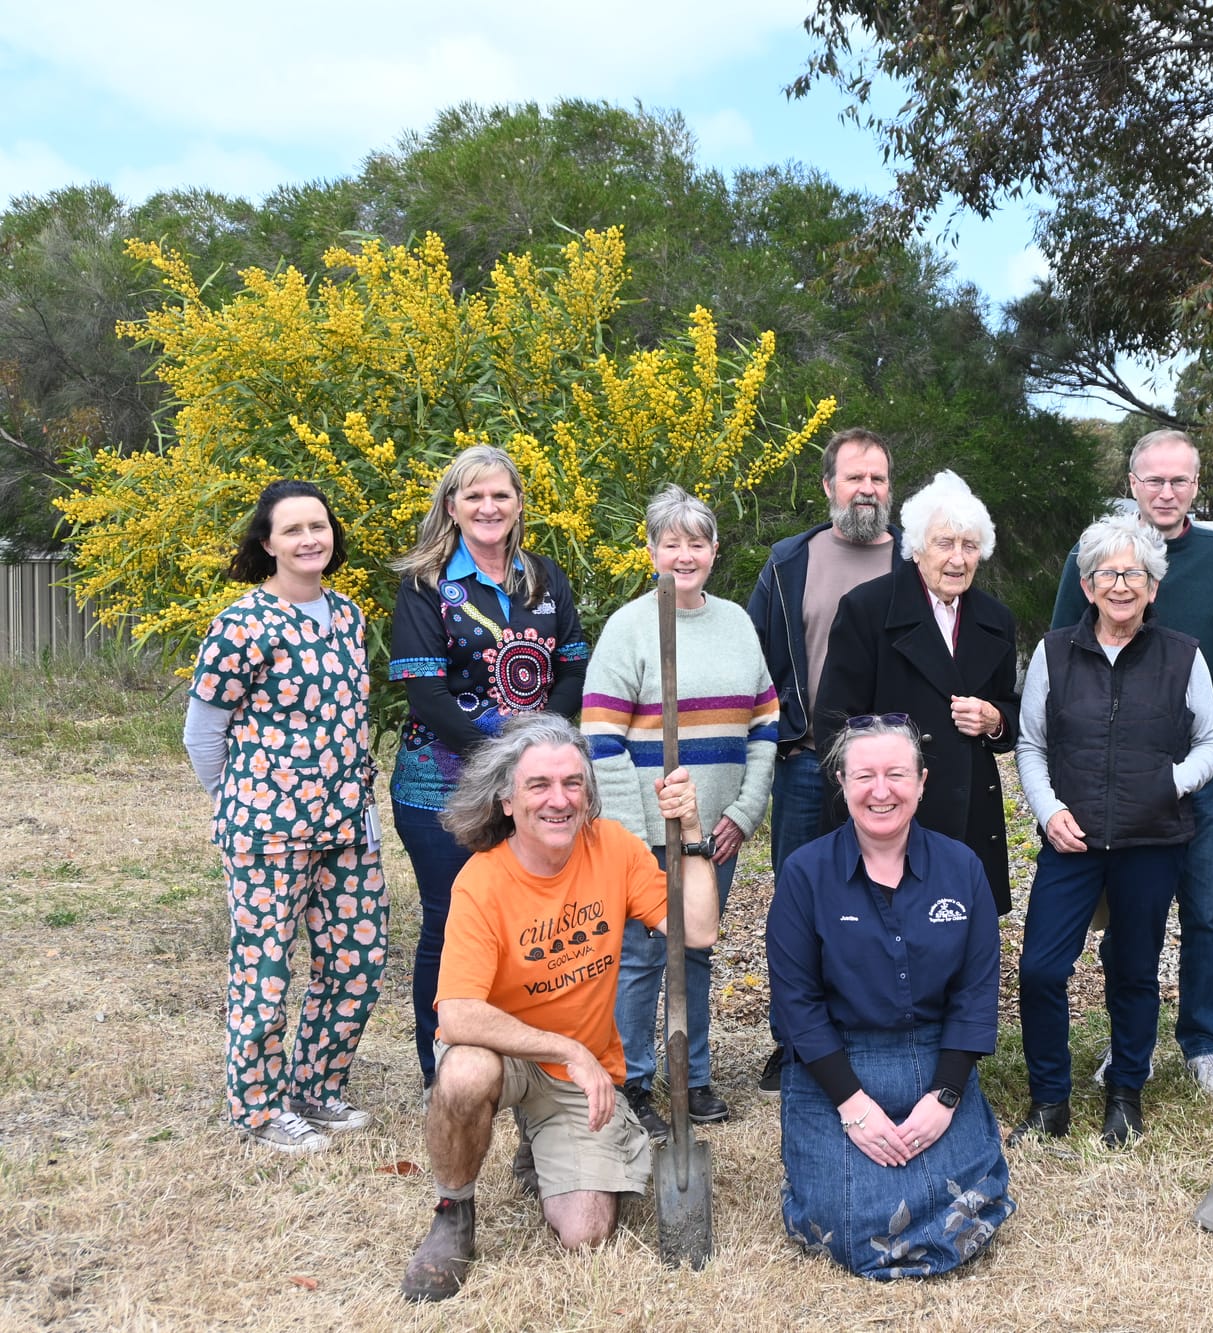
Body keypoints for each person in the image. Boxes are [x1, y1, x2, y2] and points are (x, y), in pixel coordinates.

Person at [399, 714, 720, 1303]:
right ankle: (453, 1211)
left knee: (585, 1233)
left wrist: (693, 831)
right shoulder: (481, 882)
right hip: (512, 1053)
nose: (559, 799)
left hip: (577, 1075)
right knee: (465, 1071)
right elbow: (458, 1016)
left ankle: (541, 1148)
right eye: (540, 785)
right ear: (507, 800)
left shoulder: (613, 849)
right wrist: (568, 1049)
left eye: (573, 783)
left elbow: (697, 930)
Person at [766, 716, 1014, 1278]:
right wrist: (853, 1107)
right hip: (837, 1065)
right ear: (842, 783)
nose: (881, 791)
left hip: (933, 1057)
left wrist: (945, 1097)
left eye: (897, 774)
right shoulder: (804, 874)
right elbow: (796, 1005)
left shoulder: (962, 868)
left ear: (922, 782)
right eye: (864, 776)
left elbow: (976, 994)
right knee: (848, 1219)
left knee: (970, 1197)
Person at [183, 480, 385, 1153]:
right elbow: (202, 734)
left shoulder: (348, 616)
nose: (308, 539)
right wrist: (243, 801)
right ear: (267, 543)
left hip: (347, 826)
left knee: (357, 962)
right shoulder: (242, 624)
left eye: (318, 526)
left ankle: (314, 1088)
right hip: (267, 833)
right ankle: (259, 1109)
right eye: (292, 529)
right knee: (265, 973)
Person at [1014, 514, 1213, 1147]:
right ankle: (1049, 1100)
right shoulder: (1054, 652)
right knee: (1041, 969)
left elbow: (1211, 743)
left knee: (1134, 970)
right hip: (1071, 840)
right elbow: (1031, 745)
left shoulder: (1182, 655)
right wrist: (1048, 811)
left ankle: (1125, 1093)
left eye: (1135, 574)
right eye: (1107, 574)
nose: (1121, 585)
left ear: (1154, 587)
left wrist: (1169, 785)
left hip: (1150, 840)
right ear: (1087, 585)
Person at [1051, 429, 1213, 1095]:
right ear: (1132, 483)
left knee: (1205, 914)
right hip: (1115, 775)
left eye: (1179, 480)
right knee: (1130, 919)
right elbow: (1063, 652)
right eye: (1154, 479)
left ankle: (1204, 1040)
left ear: (1196, 485)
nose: (1166, 492)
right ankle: (1127, 1040)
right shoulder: (1096, 554)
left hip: (1197, 768)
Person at [388, 444, 589, 1088]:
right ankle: (444, 1072)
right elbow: (426, 694)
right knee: (450, 923)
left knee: (528, 925)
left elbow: (573, 670)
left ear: (519, 503)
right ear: (452, 506)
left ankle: (526, 1066)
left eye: (501, 494)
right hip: (441, 788)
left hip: (535, 789)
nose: (488, 506)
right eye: (473, 495)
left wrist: (534, 753)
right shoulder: (424, 585)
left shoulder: (545, 578)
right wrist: (510, 759)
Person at [583, 485, 777, 1131]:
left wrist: (744, 811)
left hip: (714, 832)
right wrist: (635, 834)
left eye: (697, 542)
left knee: (695, 950)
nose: (685, 555)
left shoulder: (737, 624)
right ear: (651, 552)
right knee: (642, 957)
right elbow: (601, 739)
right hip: (647, 833)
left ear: (715, 550)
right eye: (672, 543)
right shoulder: (629, 628)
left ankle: (691, 1078)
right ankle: (633, 1082)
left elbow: (765, 724)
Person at [747, 427, 903, 1093]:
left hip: (891, 773)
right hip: (808, 763)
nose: (867, 489)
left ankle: (876, 1033)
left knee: (888, 901)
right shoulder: (790, 561)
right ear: (828, 486)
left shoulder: (917, 559)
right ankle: (794, 1043)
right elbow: (756, 656)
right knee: (800, 905)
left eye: (878, 478)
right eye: (854, 477)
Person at [815, 469, 1020, 913]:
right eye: (945, 543)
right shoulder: (868, 609)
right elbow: (835, 721)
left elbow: (1010, 708)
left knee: (961, 928)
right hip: (889, 808)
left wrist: (995, 719)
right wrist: (866, 800)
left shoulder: (996, 619)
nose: (958, 559)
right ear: (917, 547)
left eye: (969, 546)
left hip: (969, 815)